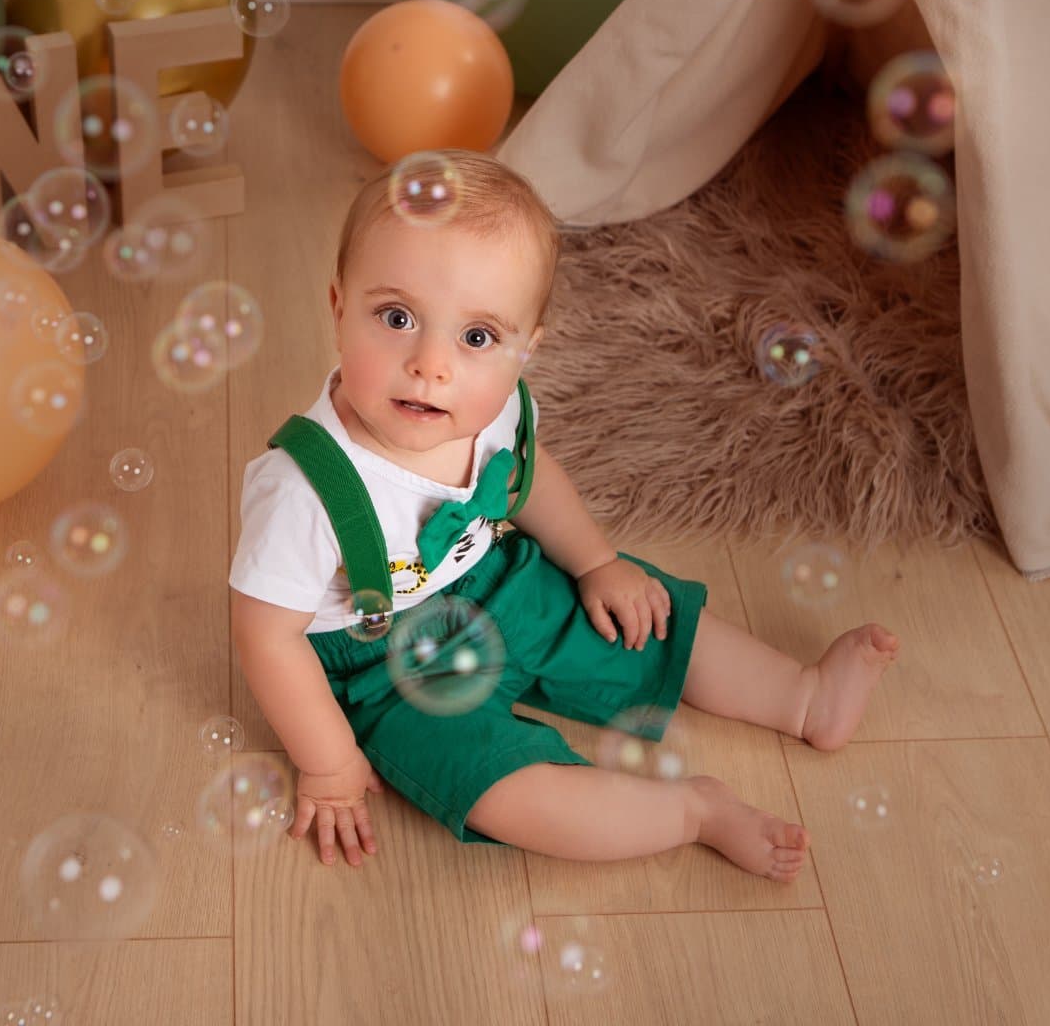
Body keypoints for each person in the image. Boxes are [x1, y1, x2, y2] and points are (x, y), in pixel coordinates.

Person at [228, 150, 899, 878]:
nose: (431, 364)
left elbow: (527, 478)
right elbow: (267, 637)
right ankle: (691, 810)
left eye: (477, 337)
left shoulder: (496, 408)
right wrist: (327, 763)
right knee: (500, 789)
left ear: (524, 351)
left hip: (496, 582)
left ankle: (803, 698)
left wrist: (596, 563)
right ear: (337, 309)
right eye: (396, 317)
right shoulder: (304, 489)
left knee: (643, 616)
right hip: (378, 665)